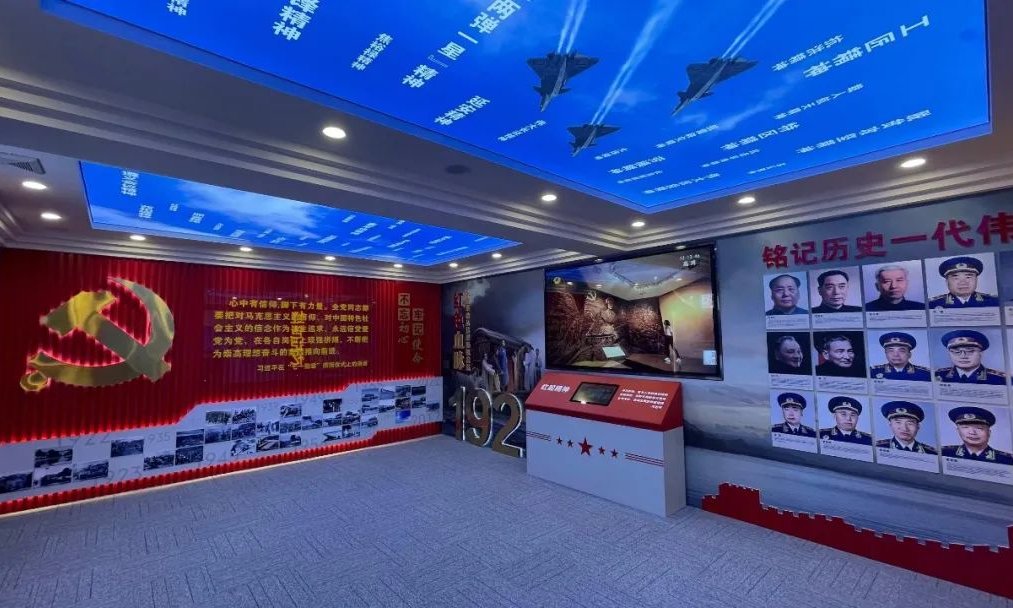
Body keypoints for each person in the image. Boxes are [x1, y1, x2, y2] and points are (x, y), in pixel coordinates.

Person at [941, 406, 1013, 464]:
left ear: (989, 433)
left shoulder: (1007, 460)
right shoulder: (944, 453)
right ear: (958, 431)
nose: (972, 432)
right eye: (965, 427)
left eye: (979, 428)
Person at [933, 330, 1007, 385]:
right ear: (949, 353)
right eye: (956, 351)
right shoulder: (938, 375)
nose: (963, 356)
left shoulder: (1001, 379)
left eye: (970, 351)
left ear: (981, 353)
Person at [928, 256, 999, 308]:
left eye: (968, 277)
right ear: (947, 282)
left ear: (976, 280)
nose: (963, 282)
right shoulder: (933, 305)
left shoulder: (994, 302)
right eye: (956, 278)